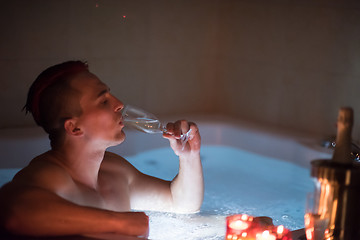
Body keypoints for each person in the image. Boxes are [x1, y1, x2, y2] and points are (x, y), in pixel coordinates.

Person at [0, 61, 204, 239]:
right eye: (103, 101)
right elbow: (12, 210)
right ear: (74, 127)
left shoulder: (114, 169)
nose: (119, 104)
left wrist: (189, 156)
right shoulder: (52, 175)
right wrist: (120, 223)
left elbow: (182, 204)